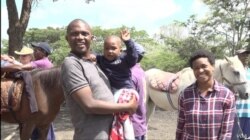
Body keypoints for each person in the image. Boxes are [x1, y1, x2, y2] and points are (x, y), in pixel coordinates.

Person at [60, 18, 138, 140]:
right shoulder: (72, 63)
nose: (80, 37)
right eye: (74, 34)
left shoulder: (95, 62)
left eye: (84, 33)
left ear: (91, 37)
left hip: (111, 133)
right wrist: (127, 107)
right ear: (67, 38)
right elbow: (89, 105)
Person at [175, 49, 236, 140]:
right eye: (196, 68)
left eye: (204, 66)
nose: (200, 70)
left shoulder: (227, 96)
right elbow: (180, 126)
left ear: (213, 67)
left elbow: (226, 132)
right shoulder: (185, 95)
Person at [1, 42, 55, 140]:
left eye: (36, 50)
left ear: (43, 52)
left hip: (40, 104)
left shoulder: (41, 62)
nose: (34, 52)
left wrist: (4, 67)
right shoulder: (45, 63)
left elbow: (22, 67)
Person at [96, 29, 138, 93]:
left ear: (120, 50)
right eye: (106, 48)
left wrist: (128, 42)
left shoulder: (123, 59)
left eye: (113, 48)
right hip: (111, 91)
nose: (110, 51)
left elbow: (133, 57)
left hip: (126, 90)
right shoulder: (101, 59)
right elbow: (91, 56)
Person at [232, 48, 250, 139]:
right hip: (236, 112)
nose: (246, 56)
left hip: (249, 112)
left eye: (247, 54)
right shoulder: (232, 73)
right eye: (243, 54)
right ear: (237, 57)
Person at [130, 42, 147, 140]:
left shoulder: (130, 75)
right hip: (140, 123)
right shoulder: (140, 71)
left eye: (126, 53)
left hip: (132, 124)